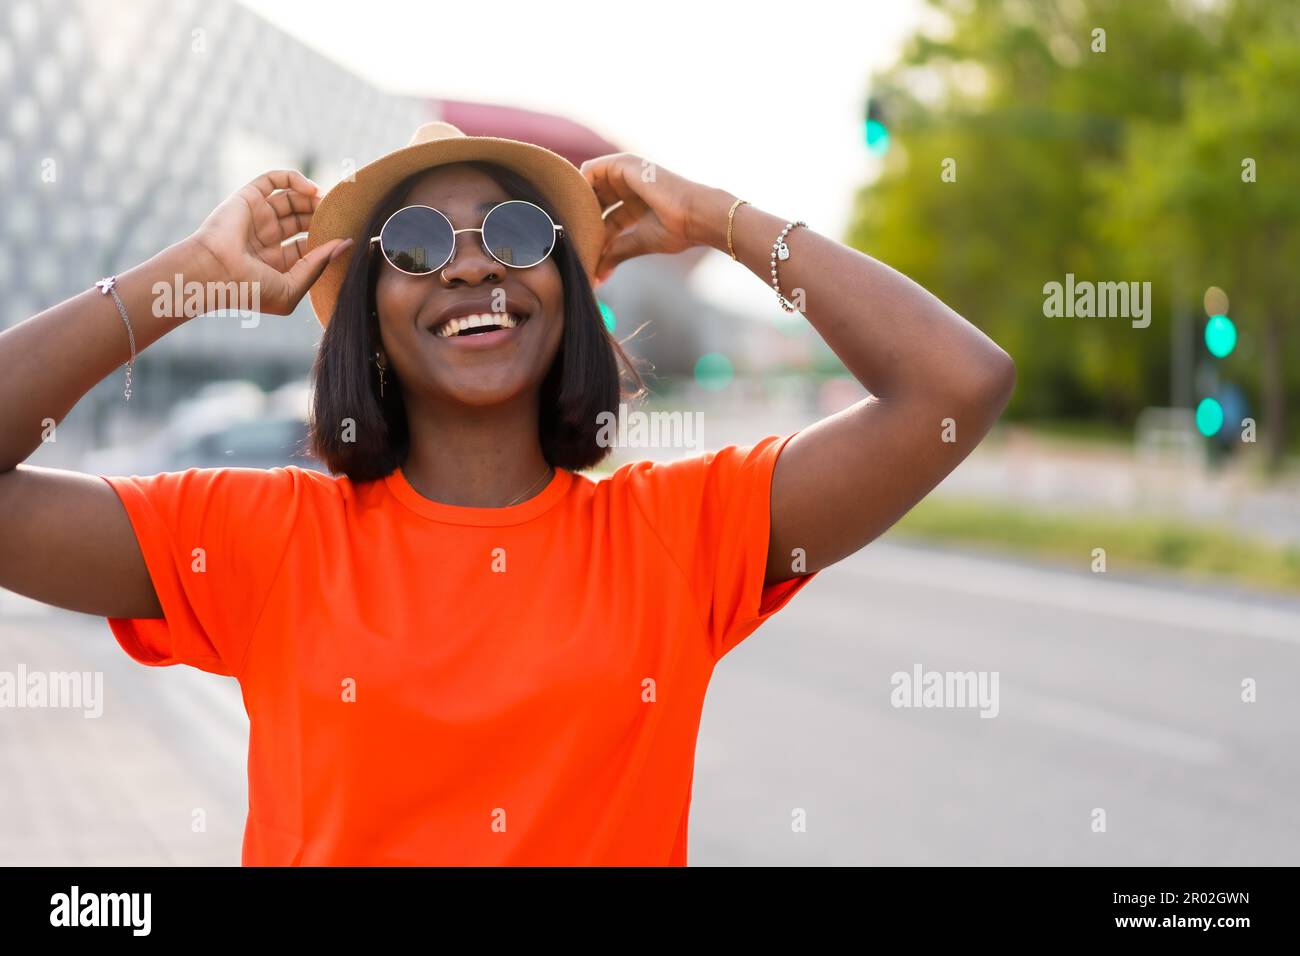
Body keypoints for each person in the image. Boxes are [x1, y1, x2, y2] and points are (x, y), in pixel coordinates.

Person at [0, 123, 1015, 865]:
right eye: (416, 248)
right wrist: (186, 274)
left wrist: (720, 220)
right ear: (368, 311)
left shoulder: (678, 531)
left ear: (567, 287)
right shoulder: (263, 535)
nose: (474, 264)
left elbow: (954, 386)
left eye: (520, 234)